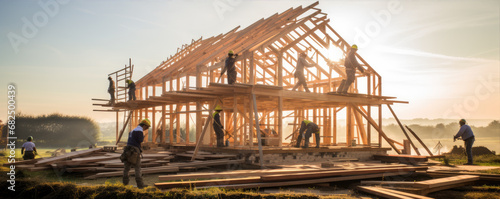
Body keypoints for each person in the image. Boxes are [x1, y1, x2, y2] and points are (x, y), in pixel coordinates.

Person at [121, 118, 150, 188]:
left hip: (127, 151)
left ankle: (125, 184)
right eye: (147, 127)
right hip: (134, 151)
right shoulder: (139, 131)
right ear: (145, 125)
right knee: (137, 168)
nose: (146, 129)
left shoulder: (132, 131)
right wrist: (143, 136)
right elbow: (140, 140)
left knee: (126, 168)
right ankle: (140, 185)